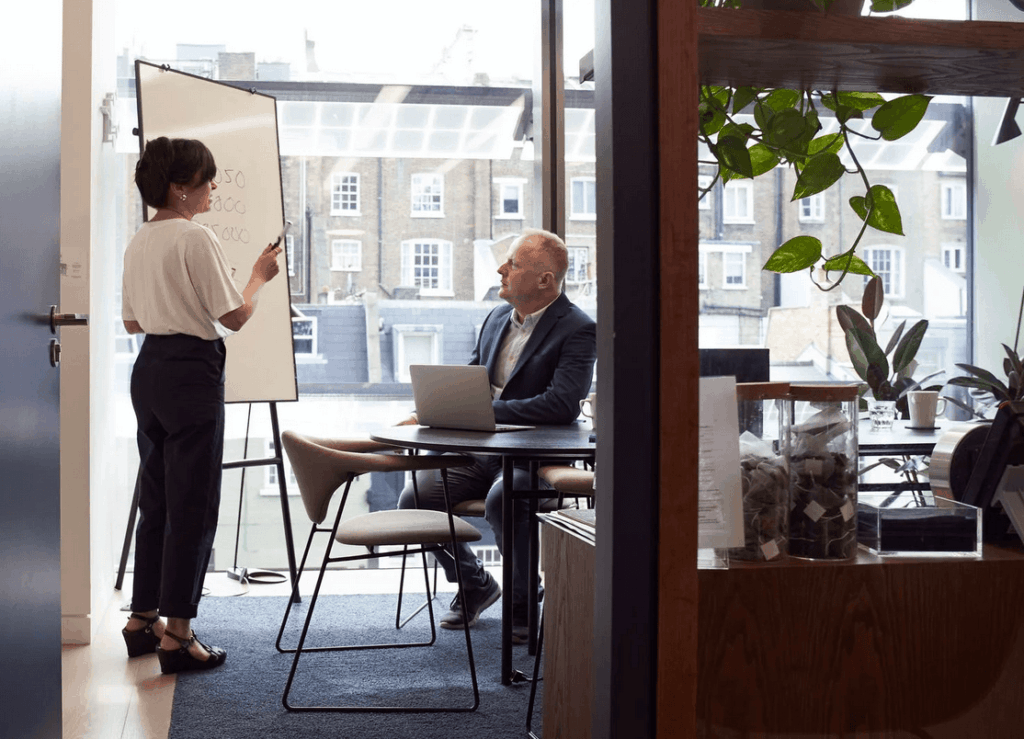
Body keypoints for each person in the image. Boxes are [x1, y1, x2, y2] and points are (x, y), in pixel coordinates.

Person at [120, 137, 282, 674]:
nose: (213, 187)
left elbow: (132, 322)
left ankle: (142, 619)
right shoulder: (195, 236)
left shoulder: (139, 240)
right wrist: (258, 276)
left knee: (158, 500)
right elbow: (233, 317)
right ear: (180, 188)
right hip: (191, 372)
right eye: (207, 179)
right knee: (192, 504)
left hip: (149, 370)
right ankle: (180, 637)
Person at [397, 228, 597, 641]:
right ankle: (474, 583)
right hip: (482, 452)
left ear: (545, 280)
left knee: (504, 499)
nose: (501, 269)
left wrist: (485, 411)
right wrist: (432, 408)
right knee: (415, 498)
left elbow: (560, 404)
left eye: (514, 264)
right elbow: (471, 382)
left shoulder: (578, 328)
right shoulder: (494, 319)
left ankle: (524, 600)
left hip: (534, 459)